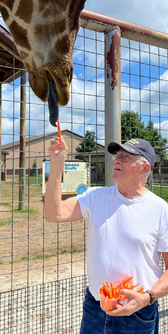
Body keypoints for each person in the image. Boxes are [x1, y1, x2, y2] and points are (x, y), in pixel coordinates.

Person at [44, 137, 168, 333]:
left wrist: (146, 298)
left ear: (145, 169)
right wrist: (57, 165)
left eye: (126, 157)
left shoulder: (161, 209)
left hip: (138, 315)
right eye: (117, 155)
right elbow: (54, 214)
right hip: (95, 309)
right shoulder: (96, 197)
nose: (117, 160)